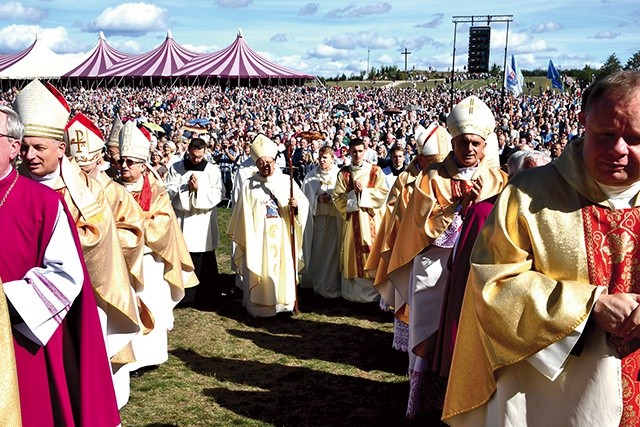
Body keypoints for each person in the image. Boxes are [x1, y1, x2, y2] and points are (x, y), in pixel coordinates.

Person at [443, 70, 640, 426]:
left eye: (636, 138)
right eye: (606, 135)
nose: (619, 151)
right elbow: (492, 284)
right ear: (583, 122)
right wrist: (588, 305)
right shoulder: (530, 194)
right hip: (556, 397)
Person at [14, 79, 141, 398]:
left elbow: (98, 241)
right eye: (24, 146)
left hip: (81, 301)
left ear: (60, 148)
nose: (29, 156)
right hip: (20, 304)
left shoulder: (89, 192)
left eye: (39, 147)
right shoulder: (11, 189)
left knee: (81, 386)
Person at [386, 96, 508, 420]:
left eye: (476, 143)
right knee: (429, 331)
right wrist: (456, 207)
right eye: (462, 142)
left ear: (485, 145)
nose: (469, 149)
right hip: (434, 268)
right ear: (452, 142)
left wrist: (478, 206)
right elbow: (418, 223)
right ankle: (424, 400)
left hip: (474, 271)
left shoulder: (499, 180)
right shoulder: (432, 177)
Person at [1, 106, 120, 425]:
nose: (31, 154)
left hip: (19, 337)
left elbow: (65, 273)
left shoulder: (42, 203)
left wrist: (5, 303)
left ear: (13, 147)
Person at [65, 112, 147, 408]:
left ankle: (113, 396)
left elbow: (134, 232)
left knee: (106, 333)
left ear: (98, 158)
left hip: (107, 274)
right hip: (72, 278)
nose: (79, 167)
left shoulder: (112, 191)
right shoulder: (61, 190)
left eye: (84, 162)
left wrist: (109, 243)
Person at [118, 120, 198, 372]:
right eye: (121, 160)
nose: (123, 166)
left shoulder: (156, 190)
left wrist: (132, 227)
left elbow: (163, 222)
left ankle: (150, 356)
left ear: (142, 165)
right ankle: (128, 356)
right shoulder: (109, 189)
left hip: (149, 260)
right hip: (120, 261)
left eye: (130, 162)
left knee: (150, 303)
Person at [365, 122, 451, 351]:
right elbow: (394, 210)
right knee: (410, 298)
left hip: (441, 251)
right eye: (432, 163)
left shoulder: (449, 177)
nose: (438, 169)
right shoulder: (407, 178)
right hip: (410, 247)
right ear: (421, 158)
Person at [227, 134, 309, 317]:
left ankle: (283, 305)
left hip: (282, 233)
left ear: (274, 161)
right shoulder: (249, 185)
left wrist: (296, 208)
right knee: (260, 266)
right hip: (258, 235)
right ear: (256, 164)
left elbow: (303, 205)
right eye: (261, 162)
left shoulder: (285, 181)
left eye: (269, 162)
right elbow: (242, 214)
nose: (266, 165)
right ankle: (259, 308)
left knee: (282, 267)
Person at [166, 137, 224, 306]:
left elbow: (218, 193)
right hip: (183, 219)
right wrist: (186, 189)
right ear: (188, 151)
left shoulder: (212, 170)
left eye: (199, 156)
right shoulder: (177, 168)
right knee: (184, 253)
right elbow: (169, 189)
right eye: (193, 156)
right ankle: (184, 296)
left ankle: (205, 295)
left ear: (205, 152)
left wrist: (199, 190)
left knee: (204, 255)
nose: (196, 159)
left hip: (203, 220)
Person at [332, 137, 389, 303]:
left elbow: (382, 194)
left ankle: (373, 296)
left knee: (371, 252)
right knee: (352, 254)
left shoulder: (375, 171)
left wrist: (363, 193)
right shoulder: (344, 173)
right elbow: (337, 198)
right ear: (348, 152)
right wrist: (353, 194)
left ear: (365, 151)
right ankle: (352, 296)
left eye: (360, 151)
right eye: (354, 152)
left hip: (370, 220)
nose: (357, 155)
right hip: (352, 222)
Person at [301, 145, 342, 298]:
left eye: (325, 157)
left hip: (333, 221)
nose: (322, 160)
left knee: (332, 254)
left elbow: (342, 196)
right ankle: (315, 282)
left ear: (332, 158)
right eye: (320, 157)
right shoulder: (311, 176)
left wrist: (332, 199)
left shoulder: (339, 175)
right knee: (317, 252)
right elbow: (305, 198)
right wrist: (317, 199)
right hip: (317, 221)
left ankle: (330, 284)